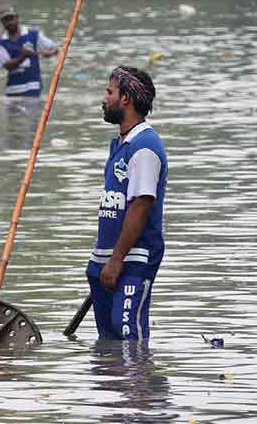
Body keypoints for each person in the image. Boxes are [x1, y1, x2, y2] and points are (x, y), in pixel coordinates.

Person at [87, 66, 168, 341]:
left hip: (133, 259)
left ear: (126, 99)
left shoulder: (144, 146)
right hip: (107, 259)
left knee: (128, 337)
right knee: (108, 342)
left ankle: (136, 385)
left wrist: (116, 260)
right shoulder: (121, 143)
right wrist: (101, 261)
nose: (104, 99)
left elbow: (141, 207)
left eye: (109, 92)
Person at [0, 7, 58, 98]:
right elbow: (7, 66)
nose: (9, 22)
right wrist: (24, 56)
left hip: (33, 86)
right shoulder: (1, 43)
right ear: (2, 22)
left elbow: (54, 49)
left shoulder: (33, 34)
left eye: (11, 19)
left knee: (33, 111)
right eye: (6, 20)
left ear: (17, 18)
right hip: (13, 89)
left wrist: (49, 53)